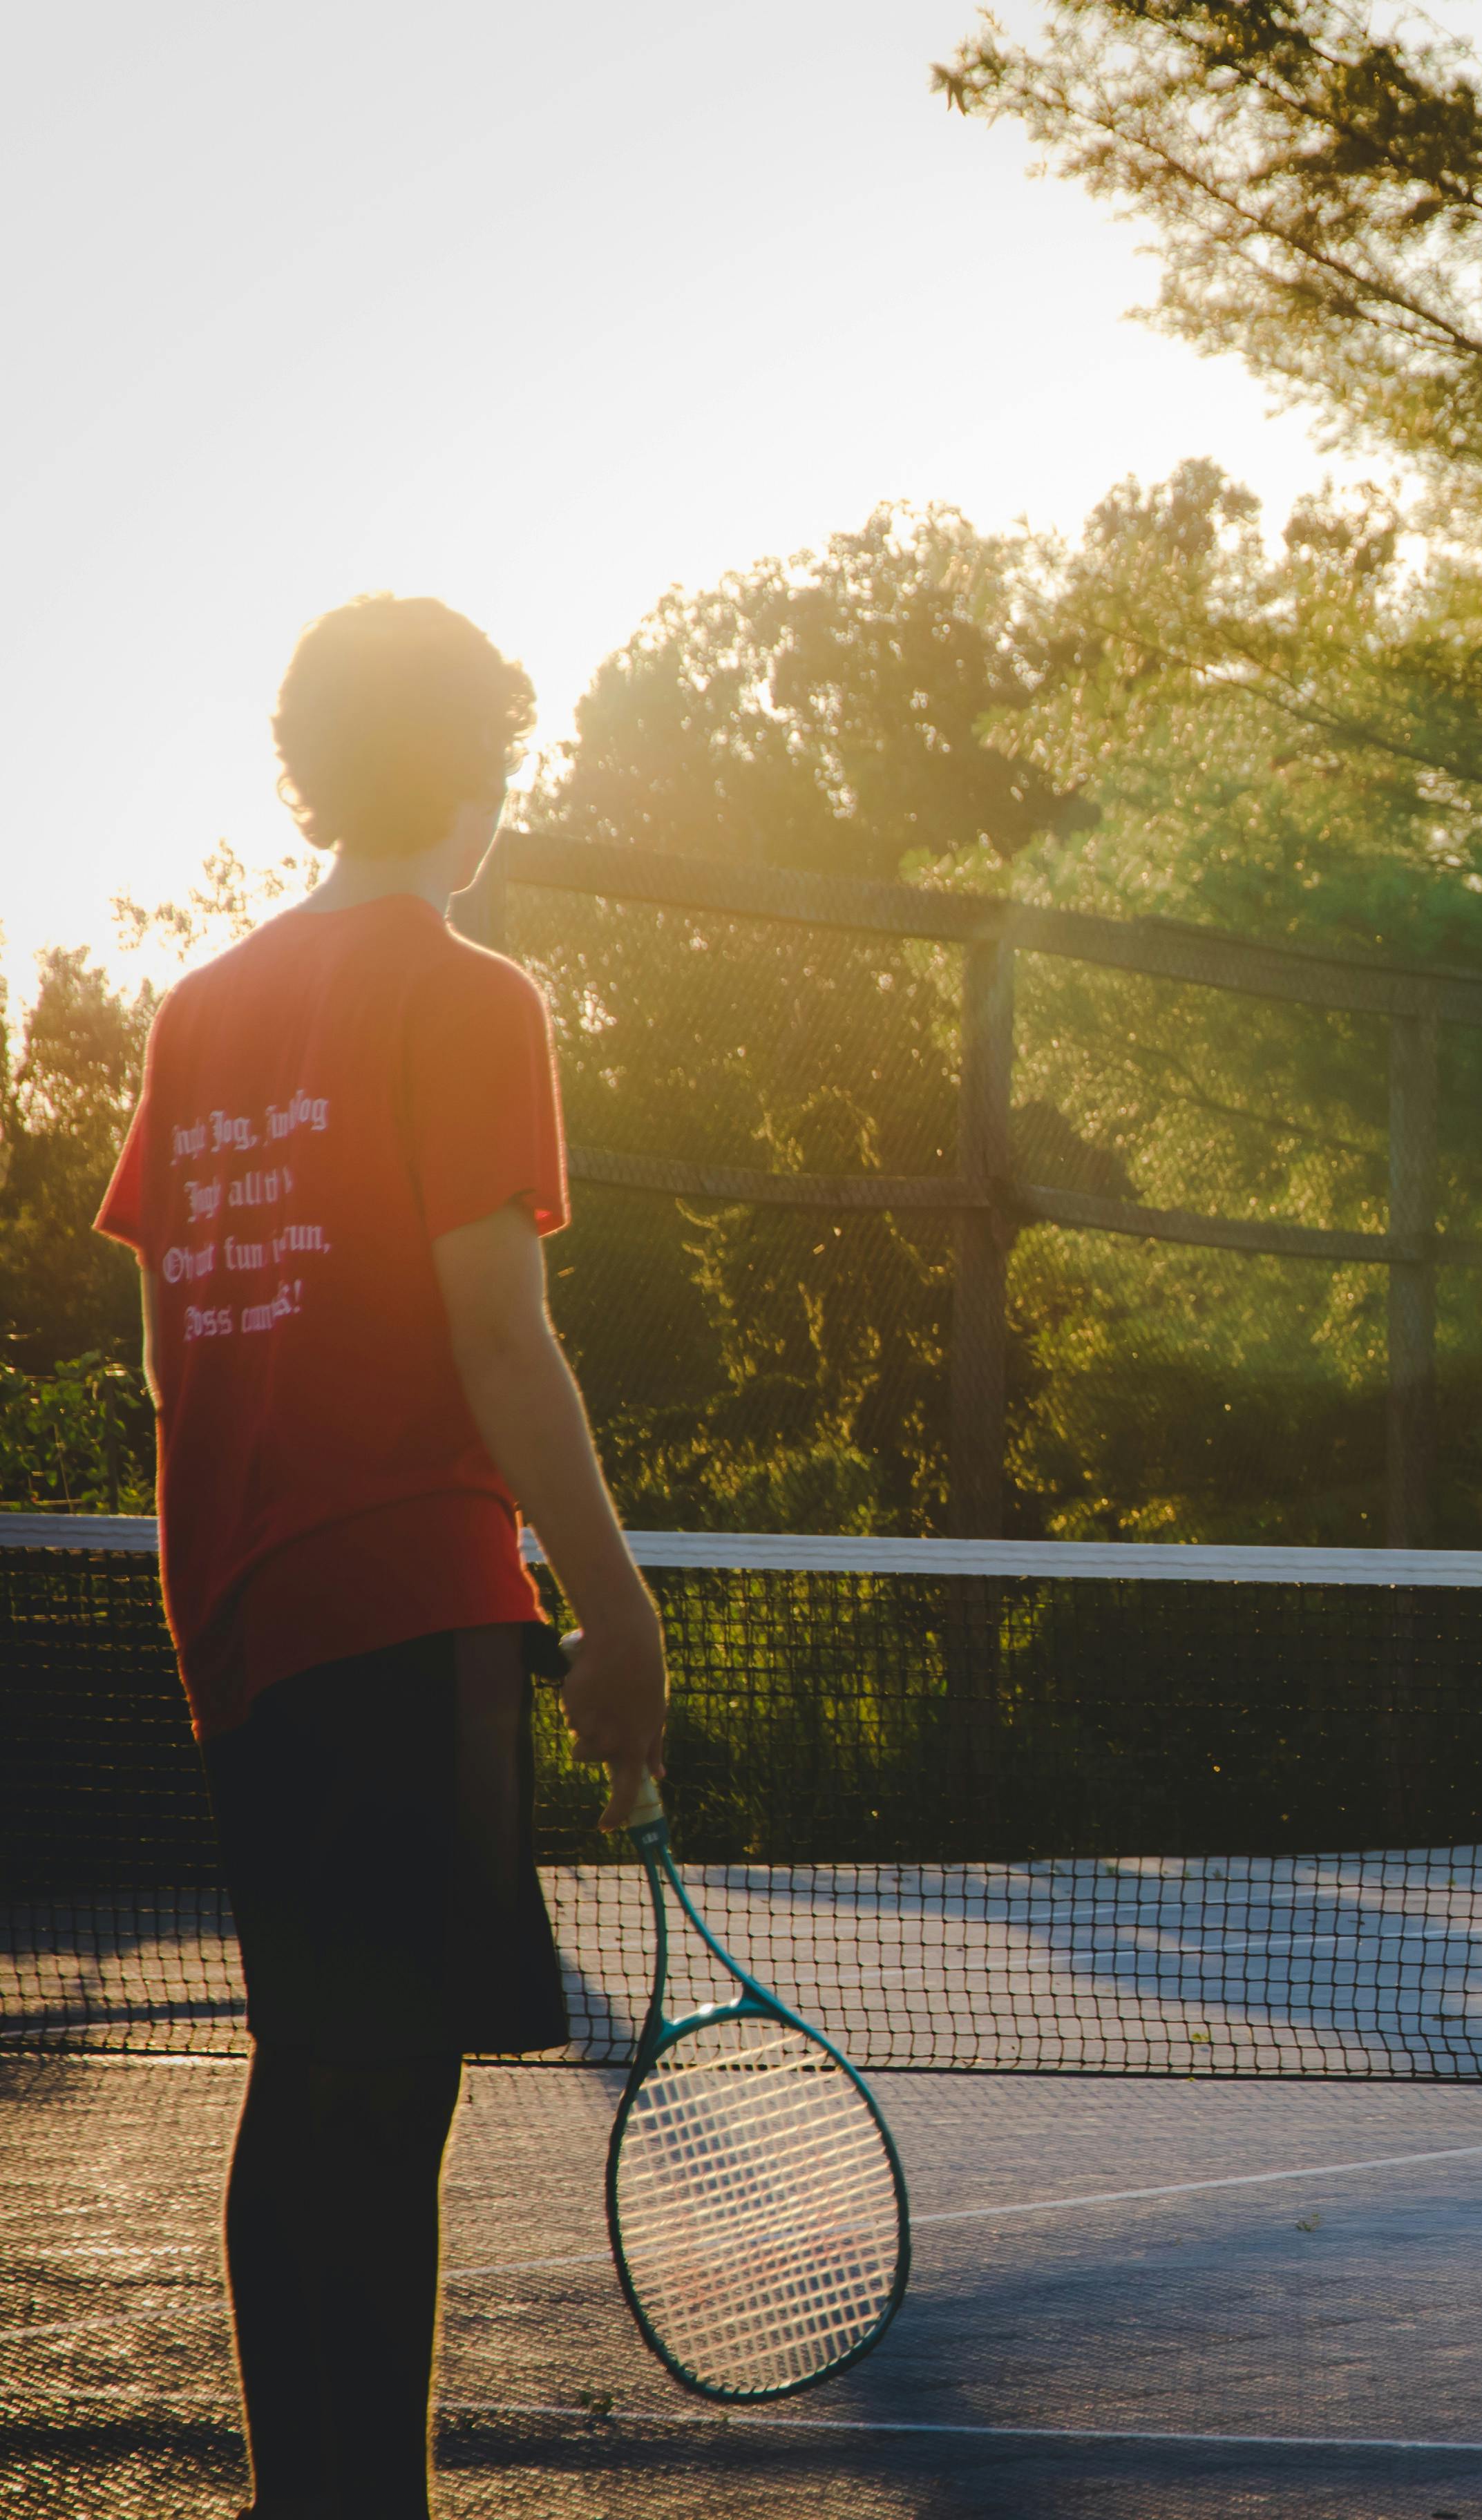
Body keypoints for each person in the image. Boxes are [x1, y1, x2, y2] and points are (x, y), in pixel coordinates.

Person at [93, 595, 668, 2520]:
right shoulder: (473, 994)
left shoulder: (200, 1011)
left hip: (249, 1618)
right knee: (389, 2079)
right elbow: (499, 1335)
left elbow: (174, 1364)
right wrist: (616, 1603)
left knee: (307, 2063)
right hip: (415, 1605)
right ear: (487, 772)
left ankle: (307, 2500)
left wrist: (221, 1608)